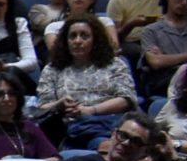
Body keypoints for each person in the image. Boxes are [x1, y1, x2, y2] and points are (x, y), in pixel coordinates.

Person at [36, 15, 135, 148]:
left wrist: (91, 110)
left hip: (108, 123)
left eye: (84, 36)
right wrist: (60, 104)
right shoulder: (53, 69)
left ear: (95, 40)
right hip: (68, 128)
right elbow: (42, 107)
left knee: (101, 142)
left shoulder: (115, 64)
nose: (77, 41)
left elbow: (126, 99)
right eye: (73, 36)